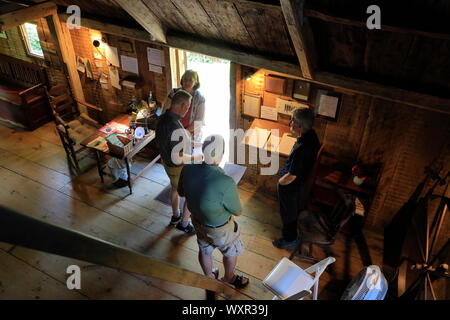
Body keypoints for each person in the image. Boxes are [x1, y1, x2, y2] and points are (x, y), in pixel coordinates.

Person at [178, 135, 249, 289]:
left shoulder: (188, 168)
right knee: (231, 251)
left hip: (197, 221)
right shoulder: (226, 181)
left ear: (203, 150)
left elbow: (181, 193)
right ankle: (229, 277)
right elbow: (238, 212)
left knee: (204, 249)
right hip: (220, 229)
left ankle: (209, 277)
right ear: (222, 154)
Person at [272, 108, 321, 249]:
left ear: (300, 126)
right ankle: (291, 236)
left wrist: (280, 184)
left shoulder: (303, 149)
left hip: (291, 187)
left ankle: (289, 240)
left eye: (292, 120)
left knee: (288, 213)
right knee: (291, 211)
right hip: (299, 185)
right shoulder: (311, 136)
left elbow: (292, 175)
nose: (290, 123)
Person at [156, 89, 199, 234]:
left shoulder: (163, 118)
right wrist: (196, 158)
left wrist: (189, 142)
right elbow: (179, 157)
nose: (188, 110)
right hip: (178, 168)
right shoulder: (176, 128)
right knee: (191, 194)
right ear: (181, 105)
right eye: (187, 106)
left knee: (174, 189)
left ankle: (175, 216)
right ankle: (184, 223)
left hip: (166, 163)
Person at [162, 70, 205, 141]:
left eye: (190, 80)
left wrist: (184, 132)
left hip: (191, 132)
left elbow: (199, 120)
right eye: (185, 79)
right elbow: (165, 111)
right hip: (172, 129)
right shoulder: (174, 93)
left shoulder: (199, 98)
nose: (187, 82)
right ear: (182, 80)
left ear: (196, 82)